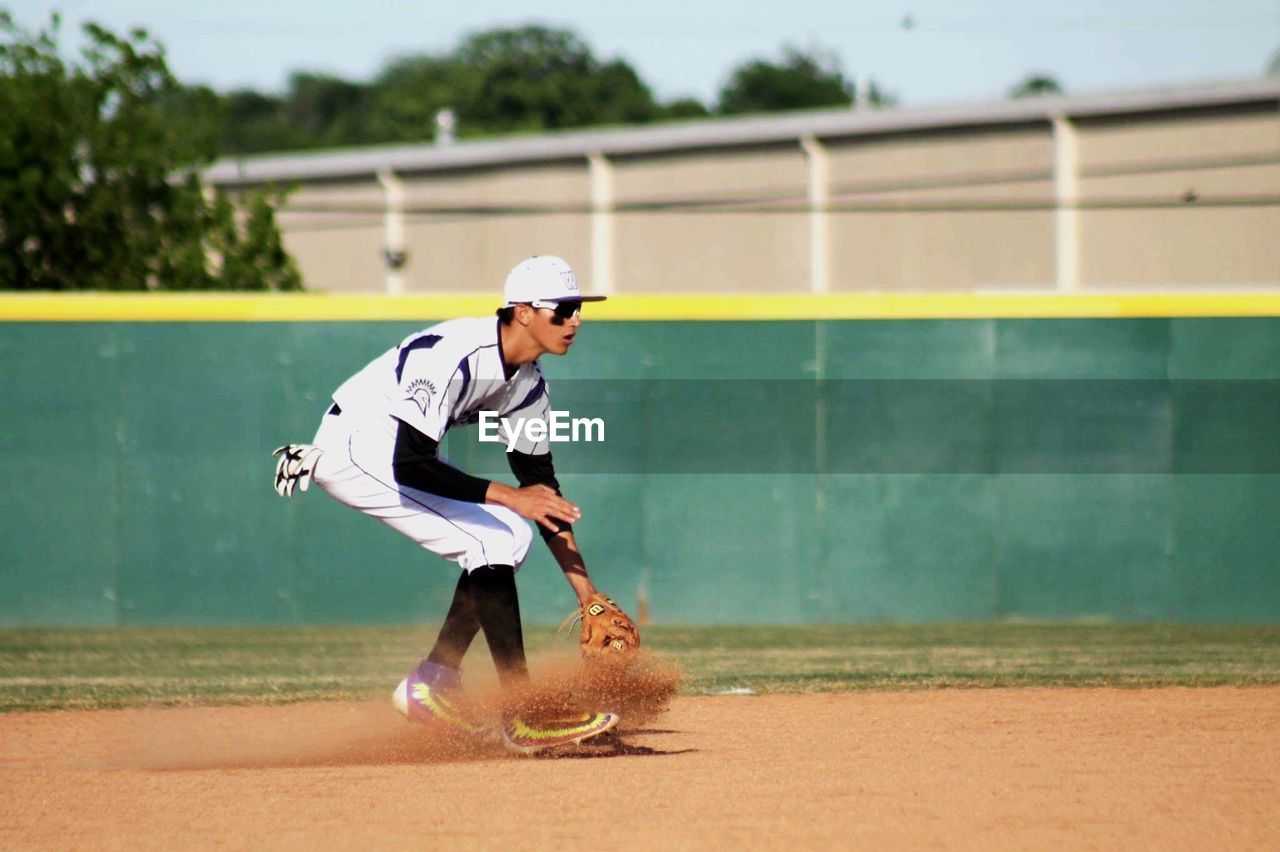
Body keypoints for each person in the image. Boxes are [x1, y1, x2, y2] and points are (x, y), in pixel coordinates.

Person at [271, 255, 617, 753]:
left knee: (510, 534)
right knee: (495, 533)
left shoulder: (527, 384)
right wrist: (507, 497)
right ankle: (522, 714)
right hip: (355, 444)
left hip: (391, 449)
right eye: (563, 309)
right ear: (523, 312)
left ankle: (433, 681)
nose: (576, 320)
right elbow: (410, 463)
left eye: (578, 309)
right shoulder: (458, 356)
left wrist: (587, 595)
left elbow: (542, 492)